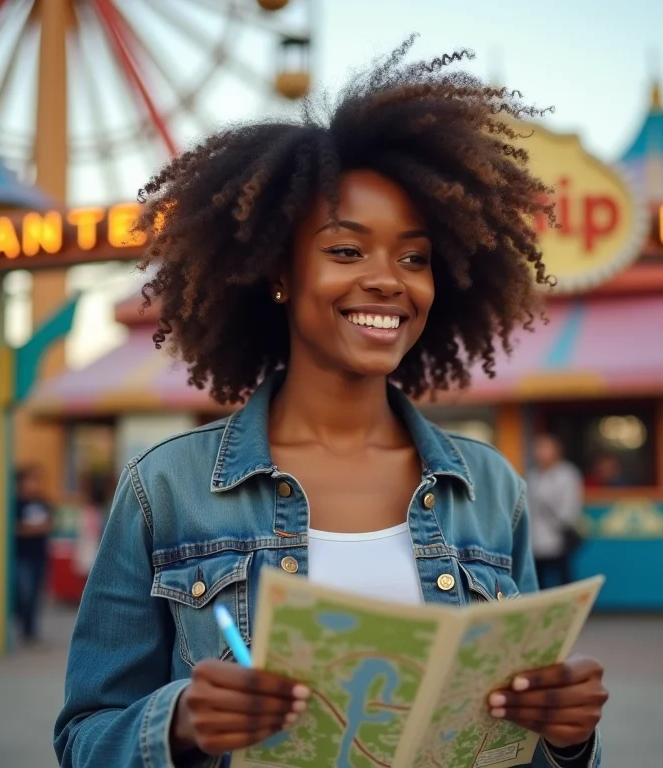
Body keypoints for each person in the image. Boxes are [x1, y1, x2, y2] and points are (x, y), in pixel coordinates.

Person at [55, 38, 607, 768]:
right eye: (347, 251)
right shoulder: (165, 491)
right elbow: (84, 738)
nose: (388, 280)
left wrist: (568, 741)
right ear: (279, 272)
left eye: (414, 258)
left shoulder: (490, 490)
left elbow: (516, 751)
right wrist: (180, 721)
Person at [528, 434, 585, 589]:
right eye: (538, 448)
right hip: (535, 538)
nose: (540, 452)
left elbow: (570, 506)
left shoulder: (567, 474)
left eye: (545, 448)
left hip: (558, 536)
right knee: (538, 580)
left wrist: (562, 523)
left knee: (564, 578)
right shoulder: (533, 475)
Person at [14, 464, 54, 645]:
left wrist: (31, 528)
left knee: (36, 595)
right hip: (22, 556)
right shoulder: (16, 504)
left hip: (40, 555)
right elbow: (16, 529)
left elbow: (50, 525)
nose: (34, 484)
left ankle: (30, 631)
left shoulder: (43, 502)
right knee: (23, 592)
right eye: (31, 480)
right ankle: (21, 625)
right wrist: (35, 528)